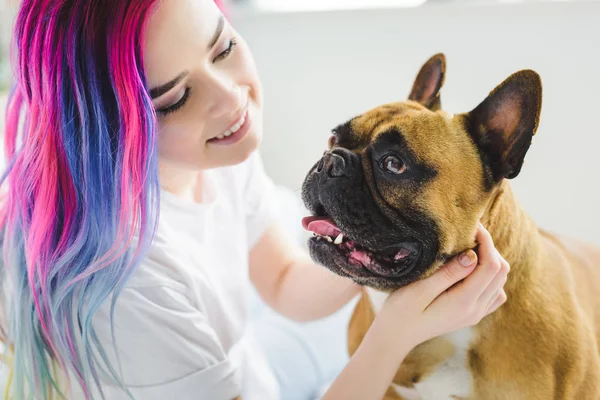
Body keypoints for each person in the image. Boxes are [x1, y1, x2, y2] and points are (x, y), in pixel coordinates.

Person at [0, 0, 509, 399]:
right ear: (108, 129)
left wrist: (365, 250)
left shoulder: (217, 155)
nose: (230, 98)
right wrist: (393, 333)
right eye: (176, 99)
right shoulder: (124, 279)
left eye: (222, 48)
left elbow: (285, 283)